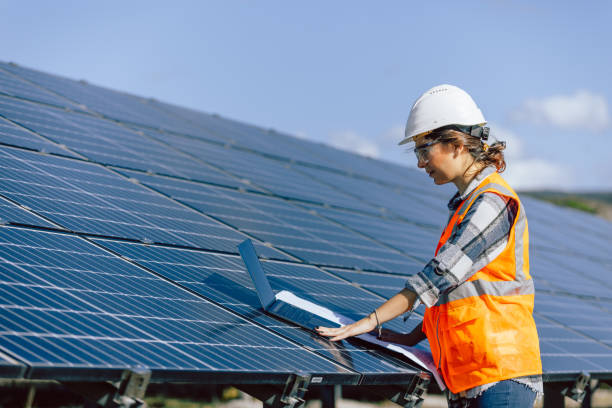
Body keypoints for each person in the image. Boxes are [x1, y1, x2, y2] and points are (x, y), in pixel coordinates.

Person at [316, 84, 543, 407]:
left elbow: (439, 277)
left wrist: (370, 321)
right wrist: (410, 338)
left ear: (455, 144)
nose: (421, 163)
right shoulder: (468, 204)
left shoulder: (492, 202)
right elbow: (460, 294)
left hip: (498, 370)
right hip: (472, 373)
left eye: (425, 151)